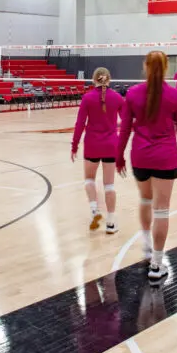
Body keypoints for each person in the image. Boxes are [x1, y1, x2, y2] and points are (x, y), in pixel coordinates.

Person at [116, 51, 177, 281]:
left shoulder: (132, 93)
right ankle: (157, 264)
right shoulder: (175, 95)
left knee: (146, 199)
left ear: (145, 66)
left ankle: (147, 243)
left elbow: (125, 128)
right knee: (162, 209)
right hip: (164, 157)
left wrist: (119, 155)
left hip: (140, 156)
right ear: (167, 67)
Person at [71, 68, 125, 234]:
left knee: (89, 180)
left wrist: (75, 145)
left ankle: (95, 210)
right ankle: (110, 223)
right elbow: (127, 123)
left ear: (94, 80)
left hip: (92, 145)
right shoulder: (117, 98)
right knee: (109, 186)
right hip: (111, 145)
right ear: (109, 80)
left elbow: (80, 124)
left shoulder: (87, 98)